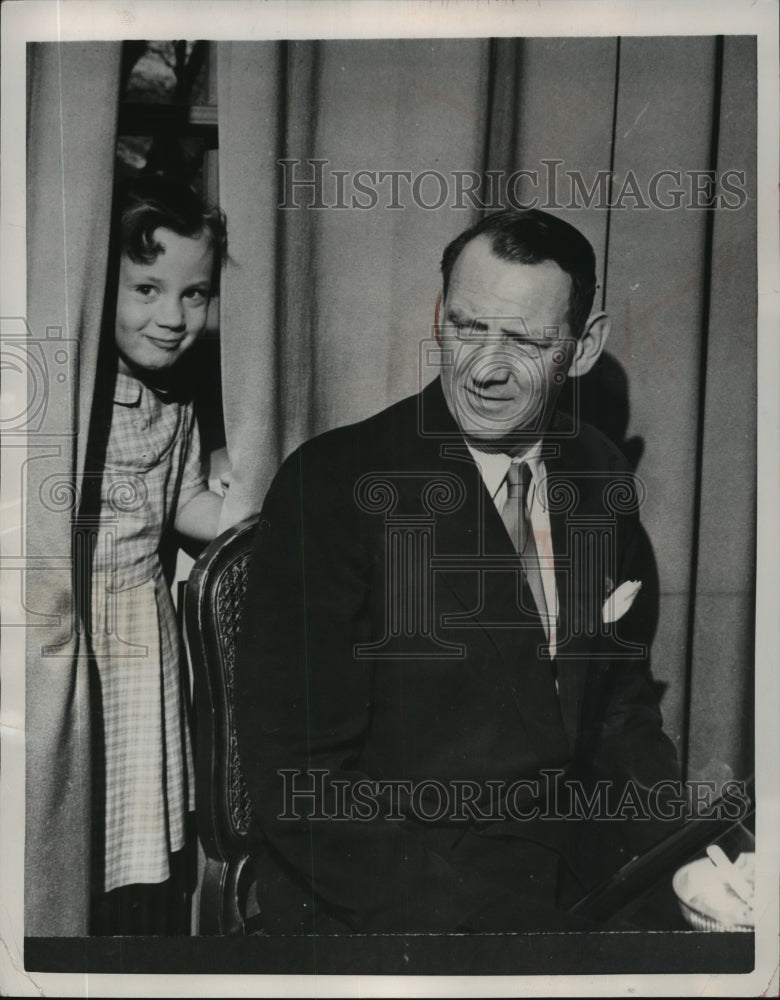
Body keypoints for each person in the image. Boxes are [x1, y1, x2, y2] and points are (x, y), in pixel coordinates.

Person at [234, 209, 680, 935]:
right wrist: (496, 930)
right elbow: (301, 785)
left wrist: (680, 859)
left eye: (526, 341)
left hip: (575, 876)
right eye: (469, 327)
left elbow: (619, 708)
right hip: (399, 900)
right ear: (440, 314)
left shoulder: (599, 474)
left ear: (584, 345)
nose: (486, 368)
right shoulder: (335, 485)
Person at [83, 175, 228, 933]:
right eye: (146, 288)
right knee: (72, 829)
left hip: (144, 639)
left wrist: (256, 502)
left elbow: (185, 506)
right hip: (75, 634)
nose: (173, 318)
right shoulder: (76, 395)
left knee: (137, 850)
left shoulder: (178, 395)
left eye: (194, 294)